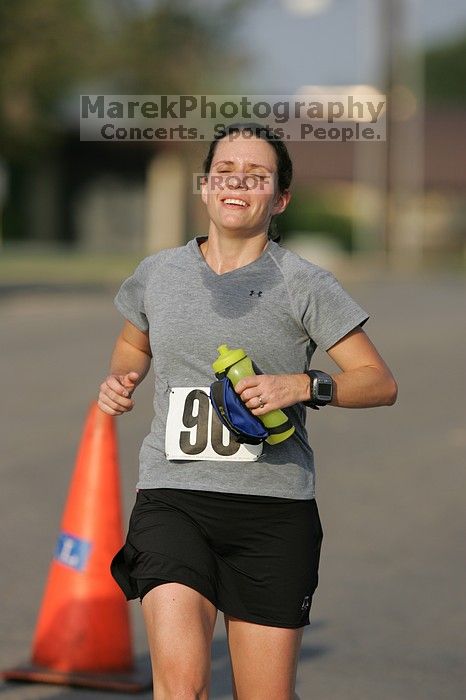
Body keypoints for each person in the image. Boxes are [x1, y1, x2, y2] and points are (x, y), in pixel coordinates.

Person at [98, 122, 397, 700]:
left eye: (256, 176)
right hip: (172, 498)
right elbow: (134, 345)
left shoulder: (305, 284)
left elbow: (379, 383)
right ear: (206, 186)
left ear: (280, 197)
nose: (237, 184)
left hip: (273, 512)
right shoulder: (158, 273)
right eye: (225, 172)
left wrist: (303, 386)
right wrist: (121, 379)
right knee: (179, 690)